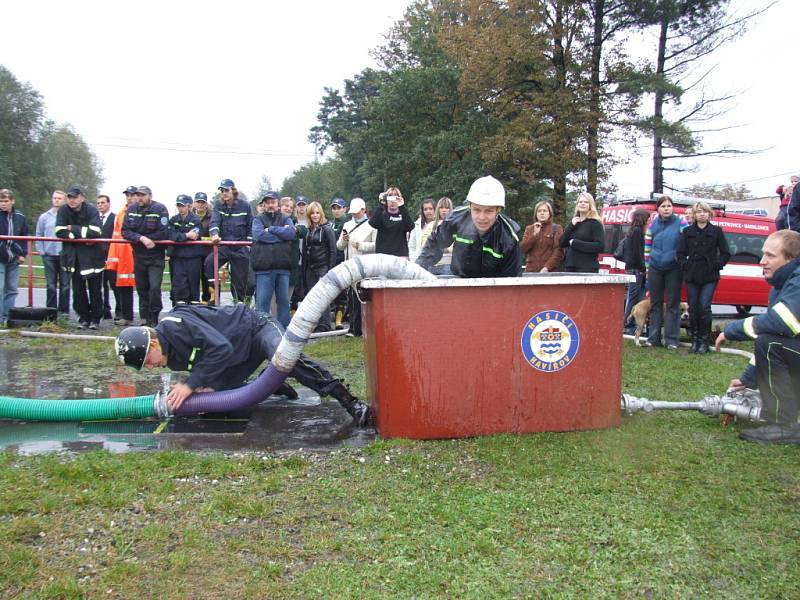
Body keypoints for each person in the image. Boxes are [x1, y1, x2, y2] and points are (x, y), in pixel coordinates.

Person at [114, 304, 374, 426]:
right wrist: (206, 386)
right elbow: (212, 360)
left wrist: (191, 383)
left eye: (147, 361)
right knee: (216, 404)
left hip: (255, 327)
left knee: (286, 357)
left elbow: (220, 348)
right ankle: (271, 383)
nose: (150, 368)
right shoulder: (168, 355)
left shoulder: (175, 327)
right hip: (235, 354)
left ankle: (348, 400)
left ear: (153, 344)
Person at [715, 230, 800, 444]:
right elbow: (774, 334)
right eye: (764, 254)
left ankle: (784, 426)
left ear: (791, 259)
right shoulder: (784, 282)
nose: (762, 261)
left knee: (770, 342)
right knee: (769, 342)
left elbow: (782, 322)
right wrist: (749, 379)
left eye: (771, 256)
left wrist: (731, 330)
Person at [417, 175, 521, 278]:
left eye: (488, 211)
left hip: (493, 288)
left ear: (498, 210)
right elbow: (434, 245)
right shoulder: (456, 220)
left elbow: (512, 283)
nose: (481, 217)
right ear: (469, 206)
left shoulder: (509, 239)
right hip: (459, 281)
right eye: (476, 210)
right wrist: (416, 271)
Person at [677, 201, 731, 353]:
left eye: (705, 211)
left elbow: (726, 253)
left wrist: (716, 264)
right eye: (699, 211)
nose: (702, 214)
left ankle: (704, 341)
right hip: (692, 273)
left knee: (704, 306)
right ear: (694, 214)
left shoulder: (717, 231)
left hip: (710, 274)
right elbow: (680, 253)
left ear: (709, 214)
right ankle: (695, 340)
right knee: (693, 308)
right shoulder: (687, 232)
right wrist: (685, 265)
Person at [55, 186, 105, 329]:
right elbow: (59, 231)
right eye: (70, 197)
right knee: (78, 291)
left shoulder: (91, 210)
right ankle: (83, 318)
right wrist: (79, 236)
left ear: (82, 197)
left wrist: (73, 229)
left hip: (93, 258)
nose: (72, 200)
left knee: (95, 290)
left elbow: (95, 231)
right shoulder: (63, 210)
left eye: (75, 197)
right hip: (73, 258)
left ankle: (96, 319)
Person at [122, 185, 170, 327]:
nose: (139, 198)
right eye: (137, 195)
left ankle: (154, 316)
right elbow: (125, 231)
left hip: (155, 255)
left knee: (154, 287)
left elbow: (163, 232)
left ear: (150, 195)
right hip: (139, 254)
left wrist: (150, 240)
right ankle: (144, 318)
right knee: (142, 288)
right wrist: (141, 238)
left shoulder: (160, 209)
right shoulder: (131, 210)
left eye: (142, 195)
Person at [643, 196, 688, 349]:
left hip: (674, 268)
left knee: (673, 304)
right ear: (658, 209)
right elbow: (647, 247)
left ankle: (671, 340)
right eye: (663, 206)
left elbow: (686, 243)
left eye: (669, 206)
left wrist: (681, 260)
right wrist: (648, 268)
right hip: (655, 267)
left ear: (672, 208)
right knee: (655, 304)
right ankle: (653, 338)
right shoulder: (652, 225)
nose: (666, 208)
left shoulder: (681, 223)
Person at [252, 191, 295, 327]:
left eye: (273, 202)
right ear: (264, 205)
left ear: (278, 204)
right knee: (262, 303)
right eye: (268, 202)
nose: (270, 205)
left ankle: (284, 331)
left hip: (283, 268)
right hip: (264, 268)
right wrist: (280, 236)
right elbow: (258, 236)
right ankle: (261, 331)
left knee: (283, 302)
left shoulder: (285, 218)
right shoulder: (258, 219)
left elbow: (290, 234)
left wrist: (270, 229)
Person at [205, 178, 252, 303]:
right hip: (224, 246)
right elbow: (214, 222)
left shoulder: (245, 206)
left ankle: (240, 304)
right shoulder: (218, 205)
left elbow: (250, 226)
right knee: (209, 262)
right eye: (222, 190)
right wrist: (214, 234)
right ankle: (214, 295)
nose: (224, 193)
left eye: (226, 190)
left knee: (239, 281)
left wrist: (248, 245)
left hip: (240, 246)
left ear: (233, 191)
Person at [337, 198, 376, 336]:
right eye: (353, 213)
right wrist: (344, 239)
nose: (354, 215)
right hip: (351, 266)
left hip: (366, 267)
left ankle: (365, 327)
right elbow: (339, 246)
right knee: (353, 298)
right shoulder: (347, 224)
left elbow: (377, 245)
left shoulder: (372, 225)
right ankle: (354, 328)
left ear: (364, 210)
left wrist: (361, 245)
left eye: (357, 212)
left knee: (364, 297)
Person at [303, 201, 337, 331]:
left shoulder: (327, 229)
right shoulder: (308, 230)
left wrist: (330, 270)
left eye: (317, 213)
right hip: (311, 267)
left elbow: (333, 250)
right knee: (312, 296)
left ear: (321, 213)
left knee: (323, 296)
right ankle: (316, 323)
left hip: (323, 267)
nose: (315, 215)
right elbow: (306, 251)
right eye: (312, 213)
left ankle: (325, 324)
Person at [35, 190, 70, 316]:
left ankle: (64, 312)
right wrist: (41, 251)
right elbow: (38, 234)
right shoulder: (44, 217)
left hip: (64, 255)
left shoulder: (69, 216)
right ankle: (50, 312)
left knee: (65, 285)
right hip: (49, 255)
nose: (56, 200)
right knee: (50, 285)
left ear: (64, 200)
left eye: (59, 198)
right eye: (55, 198)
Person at [106, 186, 137, 325]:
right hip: (123, 256)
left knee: (145, 287)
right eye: (127, 195)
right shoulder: (120, 214)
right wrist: (113, 259)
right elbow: (115, 236)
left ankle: (147, 318)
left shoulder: (141, 212)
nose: (129, 197)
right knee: (123, 286)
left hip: (137, 253)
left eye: (132, 195)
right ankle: (126, 316)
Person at [168, 195, 204, 304]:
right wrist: (185, 236)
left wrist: (180, 237)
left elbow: (195, 235)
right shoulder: (173, 220)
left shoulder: (195, 220)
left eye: (182, 206)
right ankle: (179, 310)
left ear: (189, 206)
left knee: (193, 285)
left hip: (193, 257)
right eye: (178, 205)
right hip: (177, 257)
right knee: (179, 286)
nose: (180, 208)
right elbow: (170, 235)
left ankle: (193, 313)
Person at [0, 188, 28, 327]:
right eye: (1, 201)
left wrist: (23, 253)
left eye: (6, 201)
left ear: (12, 201)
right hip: (0, 257)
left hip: (14, 258)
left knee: (12, 289)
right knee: (0, 287)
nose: (3, 204)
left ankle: (6, 317)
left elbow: (24, 237)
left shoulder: (20, 217)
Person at [559, 192, 604, 273]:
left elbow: (600, 246)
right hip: (569, 267)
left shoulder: (595, 223)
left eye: (586, 202)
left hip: (587, 268)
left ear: (590, 205)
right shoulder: (574, 223)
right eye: (580, 202)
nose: (582, 204)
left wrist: (576, 243)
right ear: (577, 205)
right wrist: (571, 226)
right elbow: (562, 243)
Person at [621, 208, 650, 333]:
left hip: (632, 267)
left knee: (637, 296)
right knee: (632, 296)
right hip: (636, 269)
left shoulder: (631, 231)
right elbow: (638, 253)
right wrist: (644, 268)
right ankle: (626, 323)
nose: (649, 221)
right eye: (648, 218)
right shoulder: (638, 232)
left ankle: (634, 323)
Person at [369, 186, 415, 257]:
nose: (393, 201)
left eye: (395, 197)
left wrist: (402, 206)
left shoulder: (403, 214)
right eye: (390, 197)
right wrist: (382, 203)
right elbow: (373, 223)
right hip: (383, 255)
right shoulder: (382, 214)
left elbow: (410, 227)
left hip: (400, 255)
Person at [520, 200, 564, 273]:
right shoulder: (529, 228)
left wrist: (547, 267)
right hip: (531, 271)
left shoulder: (556, 228)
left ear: (549, 213)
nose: (542, 213)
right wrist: (534, 235)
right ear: (536, 214)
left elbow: (559, 251)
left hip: (550, 272)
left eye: (545, 211)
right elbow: (523, 249)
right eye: (539, 211)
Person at [418, 197, 454, 275]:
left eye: (447, 208)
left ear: (451, 209)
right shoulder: (430, 225)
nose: (444, 210)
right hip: (432, 267)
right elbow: (424, 243)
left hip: (450, 266)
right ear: (438, 209)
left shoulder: (456, 226)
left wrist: (442, 248)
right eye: (441, 207)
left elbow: (457, 246)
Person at [329, 197, 349, 329]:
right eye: (334, 208)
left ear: (345, 209)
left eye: (339, 208)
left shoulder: (348, 223)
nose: (336, 211)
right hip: (331, 260)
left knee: (342, 291)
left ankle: (339, 320)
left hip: (343, 259)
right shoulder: (329, 224)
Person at [96, 194, 116, 320]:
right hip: (97, 256)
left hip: (111, 255)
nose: (100, 205)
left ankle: (119, 311)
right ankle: (104, 309)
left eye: (103, 202)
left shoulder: (114, 218)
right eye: (98, 203)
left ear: (108, 204)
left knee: (114, 284)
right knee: (100, 285)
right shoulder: (95, 219)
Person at [192, 192, 213, 303]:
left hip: (208, 253)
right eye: (198, 202)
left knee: (207, 278)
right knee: (194, 279)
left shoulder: (212, 217)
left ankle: (210, 302)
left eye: (202, 202)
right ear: (194, 203)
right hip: (193, 254)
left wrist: (202, 239)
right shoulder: (189, 216)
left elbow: (215, 234)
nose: (200, 205)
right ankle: (193, 303)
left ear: (206, 204)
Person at [407, 198, 435, 262]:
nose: (428, 211)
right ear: (422, 211)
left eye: (430, 208)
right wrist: (413, 260)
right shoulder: (416, 225)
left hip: (435, 262)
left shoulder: (439, 224)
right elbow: (411, 246)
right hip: (419, 262)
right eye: (425, 209)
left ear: (435, 210)